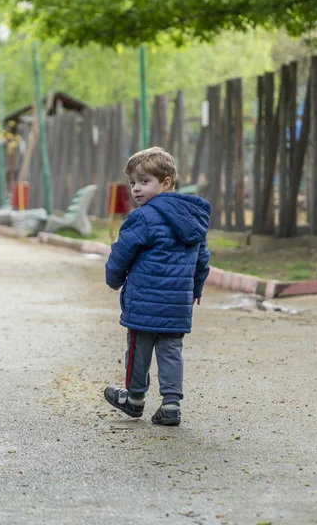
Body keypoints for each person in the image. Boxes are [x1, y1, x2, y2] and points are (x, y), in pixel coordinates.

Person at [104, 147, 210, 427]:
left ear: (166, 183)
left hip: (144, 303)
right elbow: (202, 258)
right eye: (133, 183)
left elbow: (121, 253)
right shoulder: (191, 218)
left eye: (144, 181)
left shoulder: (143, 218)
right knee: (171, 350)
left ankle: (135, 399)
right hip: (178, 304)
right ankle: (171, 404)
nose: (136, 189)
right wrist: (196, 288)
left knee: (139, 349)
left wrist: (113, 279)